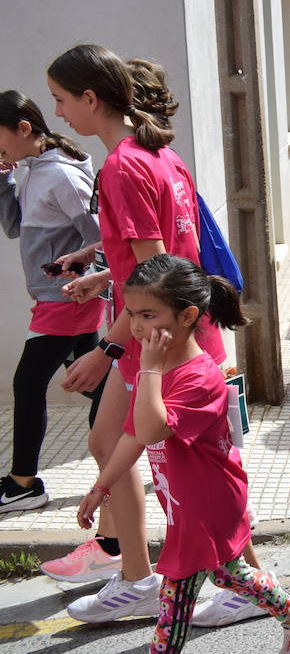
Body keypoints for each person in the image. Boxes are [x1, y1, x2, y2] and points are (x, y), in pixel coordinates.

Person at [75, 255, 290, 654]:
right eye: (131, 314)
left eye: (148, 316)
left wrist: (148, 368)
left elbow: (151, 430)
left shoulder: (196, 376)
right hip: (188, 502)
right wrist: (100, 486)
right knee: (230, 575)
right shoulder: (159, 370)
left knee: (175, 603)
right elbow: (131, 434)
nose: (135, 326)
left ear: (187, 316)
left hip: (206, 506)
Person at [39, 47, 229, 624]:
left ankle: (247, 586)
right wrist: (105, 276)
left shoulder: (123, 166)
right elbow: (154, 259)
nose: (60, 113)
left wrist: (106, 349)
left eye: (62, 100)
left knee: (200, 476)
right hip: (168, 334)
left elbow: (156, 280)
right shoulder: (160, 155)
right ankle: (138, 576)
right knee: (107, 445)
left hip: (161, 342)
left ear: (91, 99)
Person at [0, 91, 104, 513]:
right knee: (97, 383)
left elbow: (100, 236)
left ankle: (24, 482)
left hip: (66, 299)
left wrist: (86, 275)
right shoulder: (33, 170)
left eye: (0, 141)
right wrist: (3, 177)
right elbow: (13, 228)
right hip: (57, 298)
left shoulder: (60, 175)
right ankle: (154, 442)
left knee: (27, 384)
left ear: (24, 129)